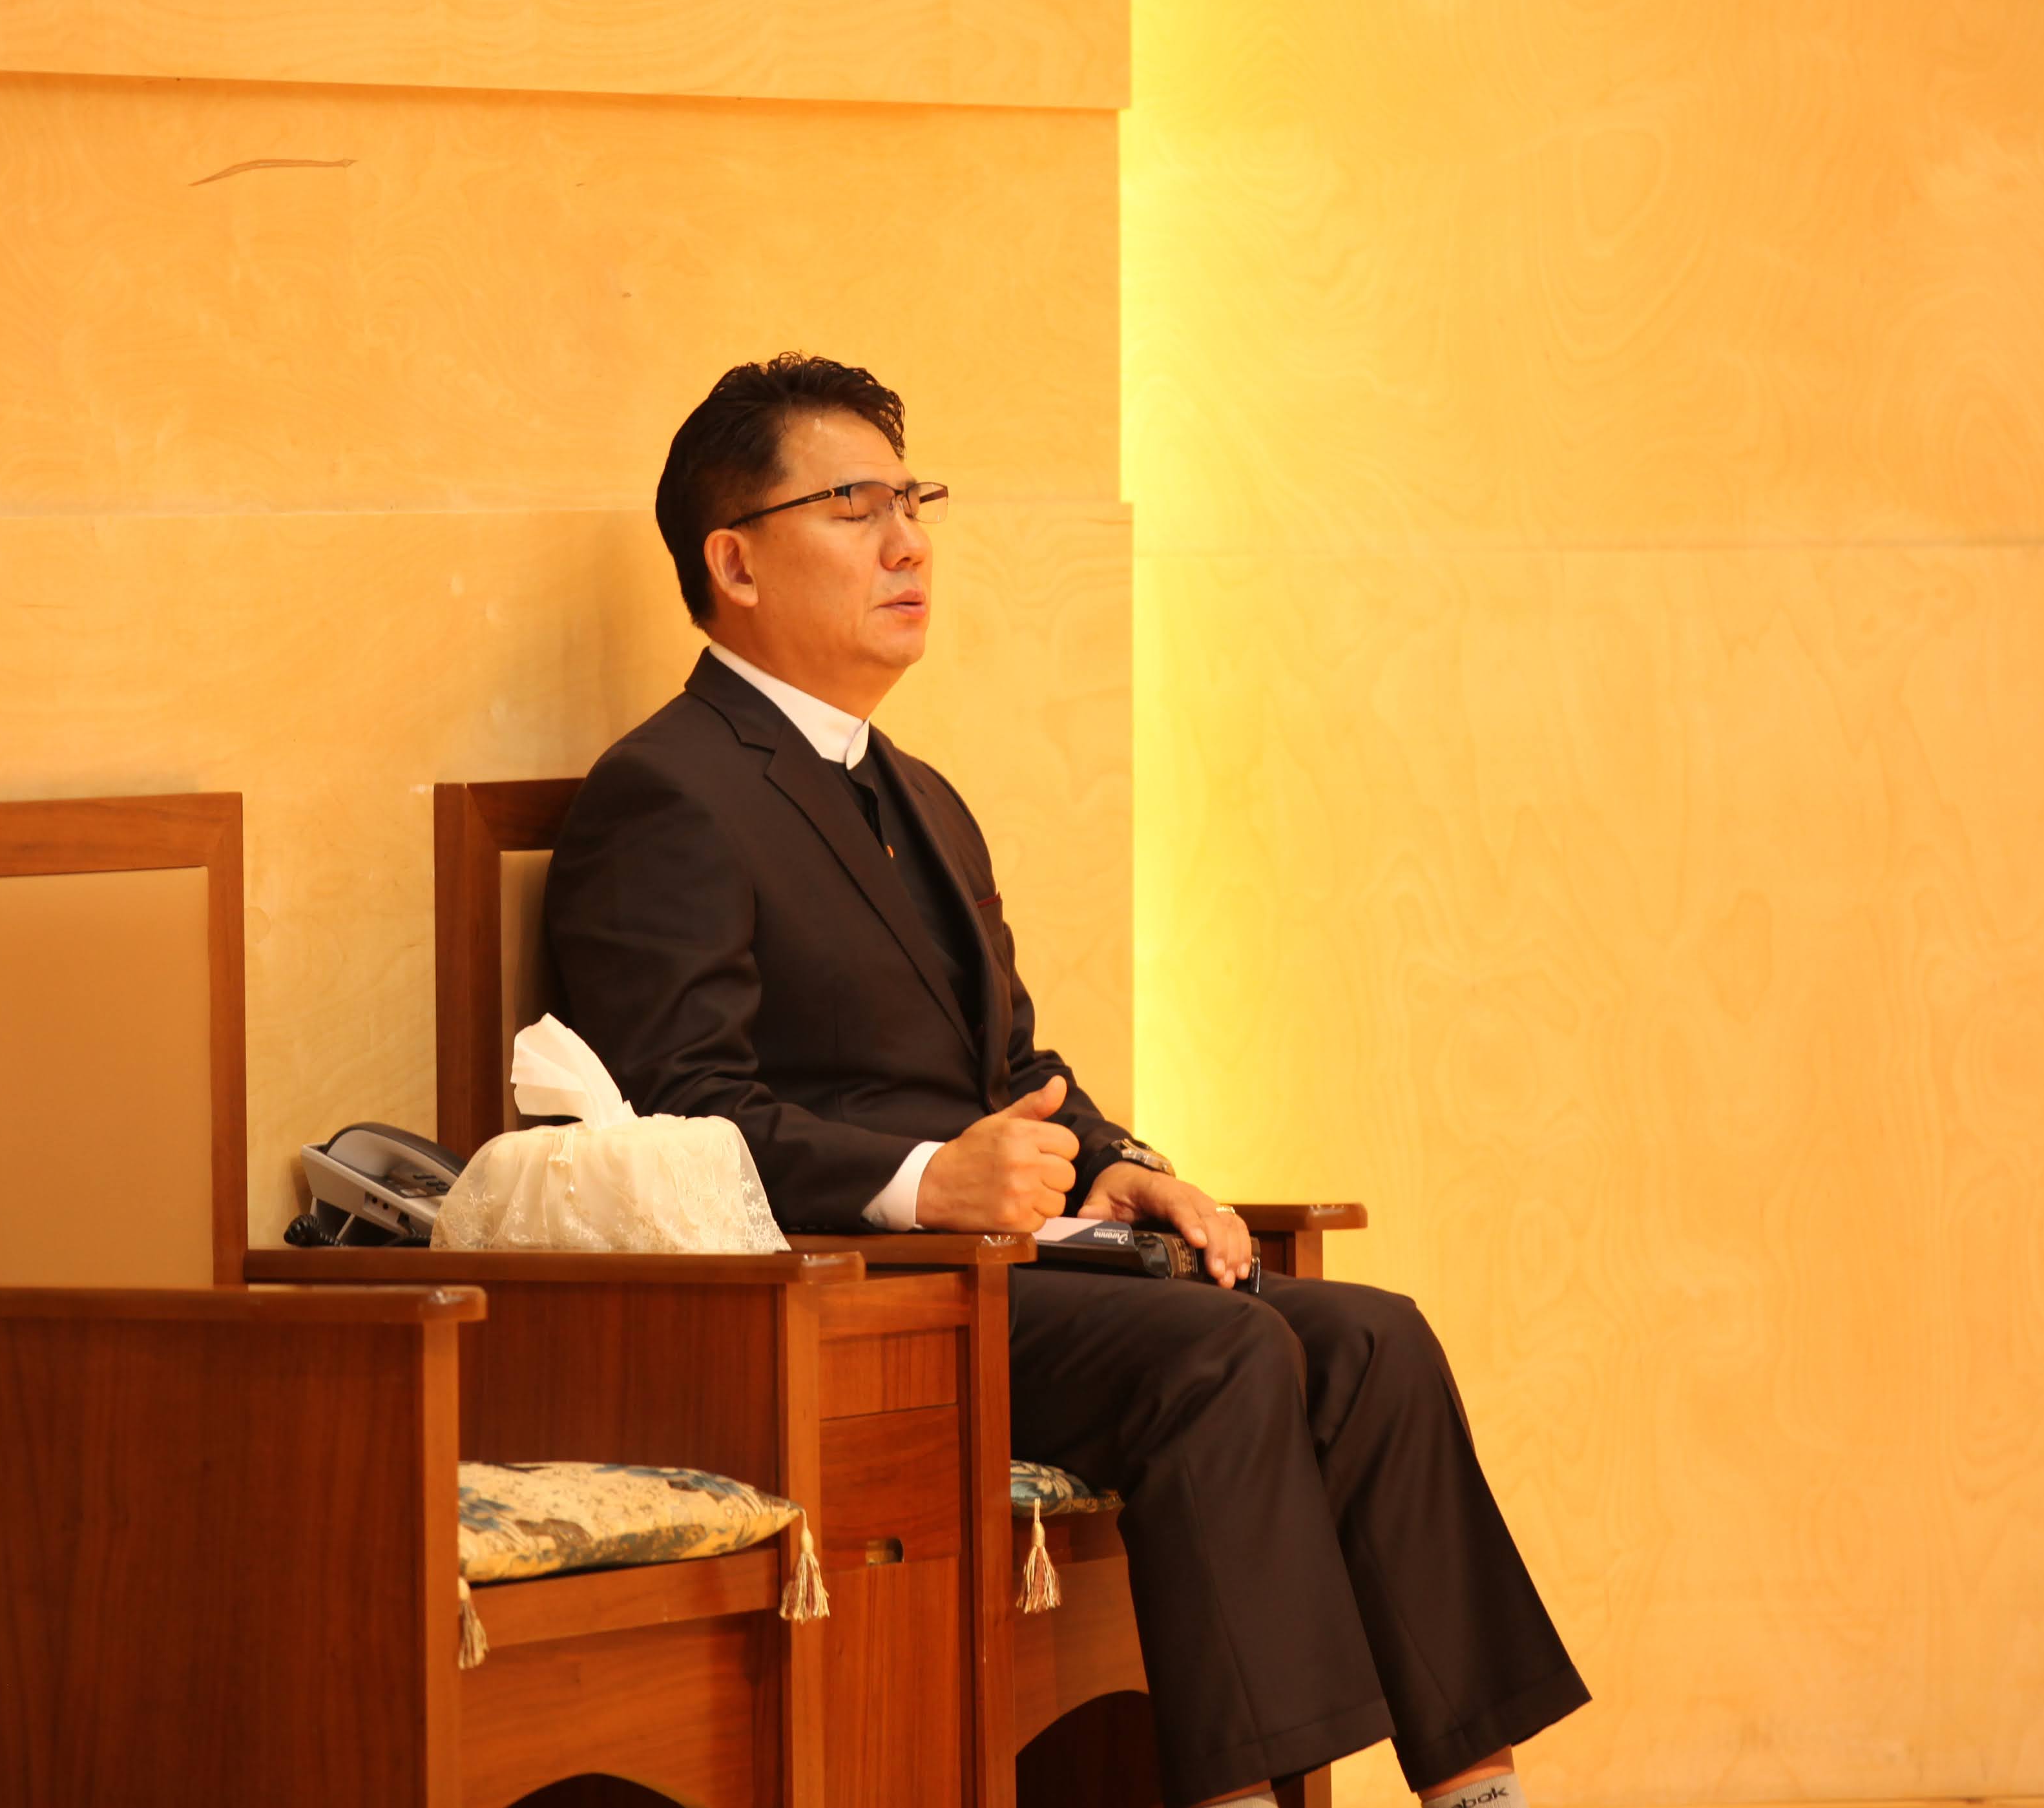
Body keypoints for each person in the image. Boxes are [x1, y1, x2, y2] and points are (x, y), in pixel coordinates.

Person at [543, 355, 1587, 1808]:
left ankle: (1480, 1792)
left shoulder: (920, 792)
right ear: (735, 563)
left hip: (1015, 1272)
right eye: (854, 507)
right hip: (862, 1299)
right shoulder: (668, 791)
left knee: (1372, 1338)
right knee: (1224, 1357)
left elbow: (1015, 1068)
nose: (907, 544)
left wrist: (1126, 1165)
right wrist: (925, 1182)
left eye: (913, 502)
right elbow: (677, 1119)